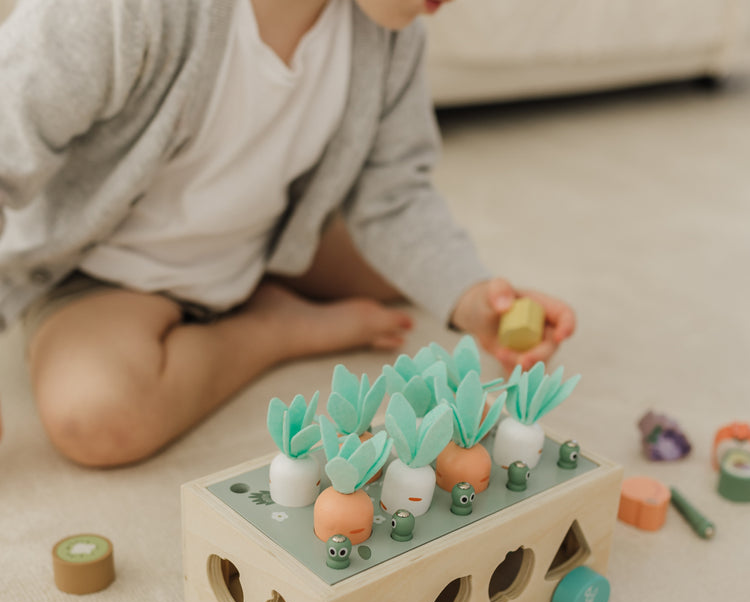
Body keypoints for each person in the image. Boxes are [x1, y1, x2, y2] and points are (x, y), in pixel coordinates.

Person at [0, 0, 575, 466]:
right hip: (104, 268)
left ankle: (263, 285)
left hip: (259, 237)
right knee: (97, 417)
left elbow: (394, 199)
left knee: (424, 267)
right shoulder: (121, 12)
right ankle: (271, 329)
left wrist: (474, 300)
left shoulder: (389, 32)